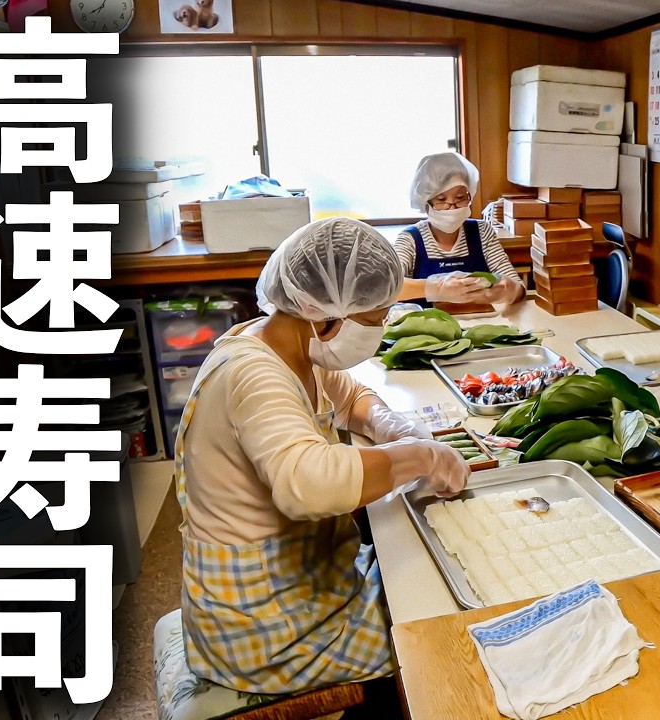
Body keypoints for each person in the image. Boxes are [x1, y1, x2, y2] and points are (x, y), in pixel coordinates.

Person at [175, 218, 470, 694]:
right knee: (442, 635)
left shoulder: (287, 342)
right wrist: (418, 457)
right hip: (262, 626)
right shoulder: (254, 374)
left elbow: (350, 397)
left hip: (305, 582)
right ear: (326, 315)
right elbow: (310, 484)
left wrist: (391, 425)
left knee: (419, 580)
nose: (381, 325)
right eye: (376, 316)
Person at [394, 151, 526, 306]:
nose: (452, 207)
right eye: (441, 200)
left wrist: (509, 291)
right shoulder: (410, 240)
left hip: (480, 324)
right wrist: (436, 289)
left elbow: (517, 286)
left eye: (460, 198)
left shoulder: (482, 232)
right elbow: (389, 288)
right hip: (428, 327)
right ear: (425, 202)